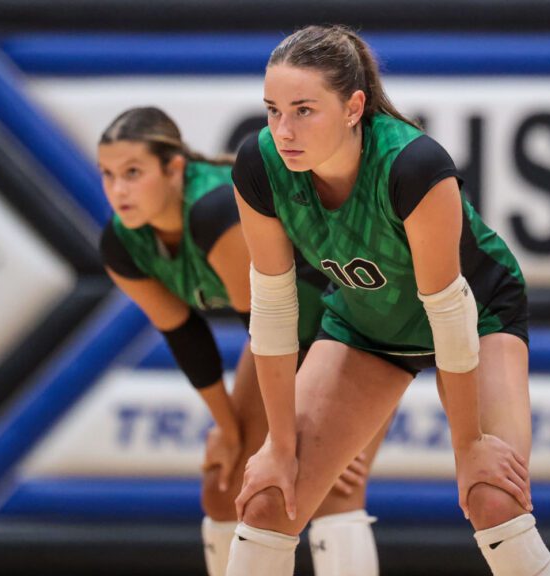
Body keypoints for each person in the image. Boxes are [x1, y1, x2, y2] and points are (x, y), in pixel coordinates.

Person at [228, 24, 550, 576]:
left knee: (491, 496)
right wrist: (278, 446)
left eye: (304, 110)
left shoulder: (414, 166)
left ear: (353, 107)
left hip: (477, 317)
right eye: (273, 111)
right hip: (368, 324)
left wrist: (468, 446)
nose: (284, 130)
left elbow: (449, 313)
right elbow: (274, 310)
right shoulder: (260, 166)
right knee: (269, 500)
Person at [96, 106, 387, 576]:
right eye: (108, 175)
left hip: (358, 317)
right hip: (284, 334)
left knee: (334, 488)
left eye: (133, 173)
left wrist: (306, 433)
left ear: (174, 169)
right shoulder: (121, 244)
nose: (118, 190)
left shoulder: (215, 212)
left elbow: (275, 329)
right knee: (226, 485)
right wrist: (228, 432)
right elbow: (186, 335)